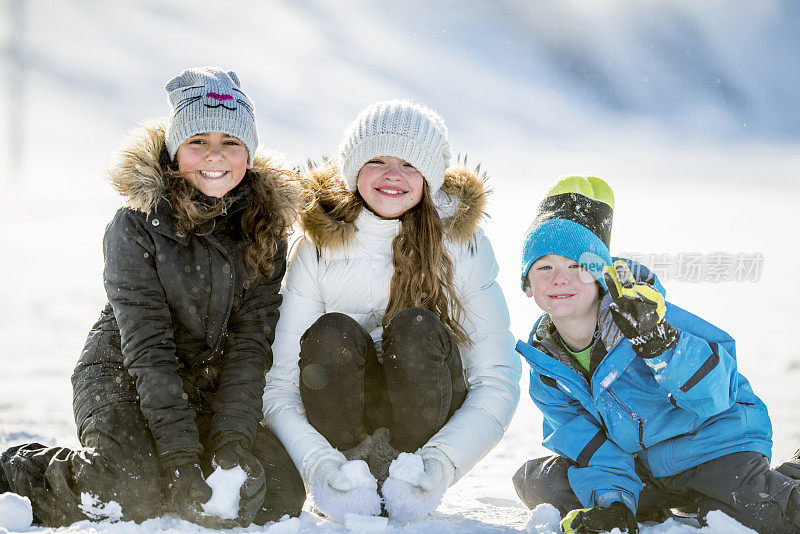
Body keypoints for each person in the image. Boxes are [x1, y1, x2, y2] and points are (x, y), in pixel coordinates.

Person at [0, 67, 304, 528]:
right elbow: (148, 348)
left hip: (207, 384)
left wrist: (232, 443)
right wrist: (181, 457)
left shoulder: (263, 228)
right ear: (174, 150)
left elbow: (250, 346)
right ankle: (20, 470)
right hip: (123, 374)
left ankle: (169, 463)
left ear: (250, 153)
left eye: (231, 142)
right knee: (128, 491)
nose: (214, 156)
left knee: (276, 493)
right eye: (197, 141)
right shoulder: (136, 225)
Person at [261, 99, 521, 522]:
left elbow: (497, 379)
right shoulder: (317, 247)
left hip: (425, 422)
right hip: (339, 428)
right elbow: (281, 383)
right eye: (376, 160)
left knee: (414, 327)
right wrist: (321, 467)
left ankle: (404, 471)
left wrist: (437, 466)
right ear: (352, 169)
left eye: (410, 165)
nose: (392, 176)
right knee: (331, 334)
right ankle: (353, 472)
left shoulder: (462, 244)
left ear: (430, 178)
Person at [512, 175, 800, 533]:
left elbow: (717, 392)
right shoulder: (548, 367)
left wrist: (660, 342)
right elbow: (590, 445)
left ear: (601, 276)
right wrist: (613, 504)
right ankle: (666, 501)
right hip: (645, 467)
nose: (560, 279)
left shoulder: (645, 316)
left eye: (577, 266)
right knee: (541, 483)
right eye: (544, 267)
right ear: (527, 284)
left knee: (774, 517)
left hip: (712, 447)